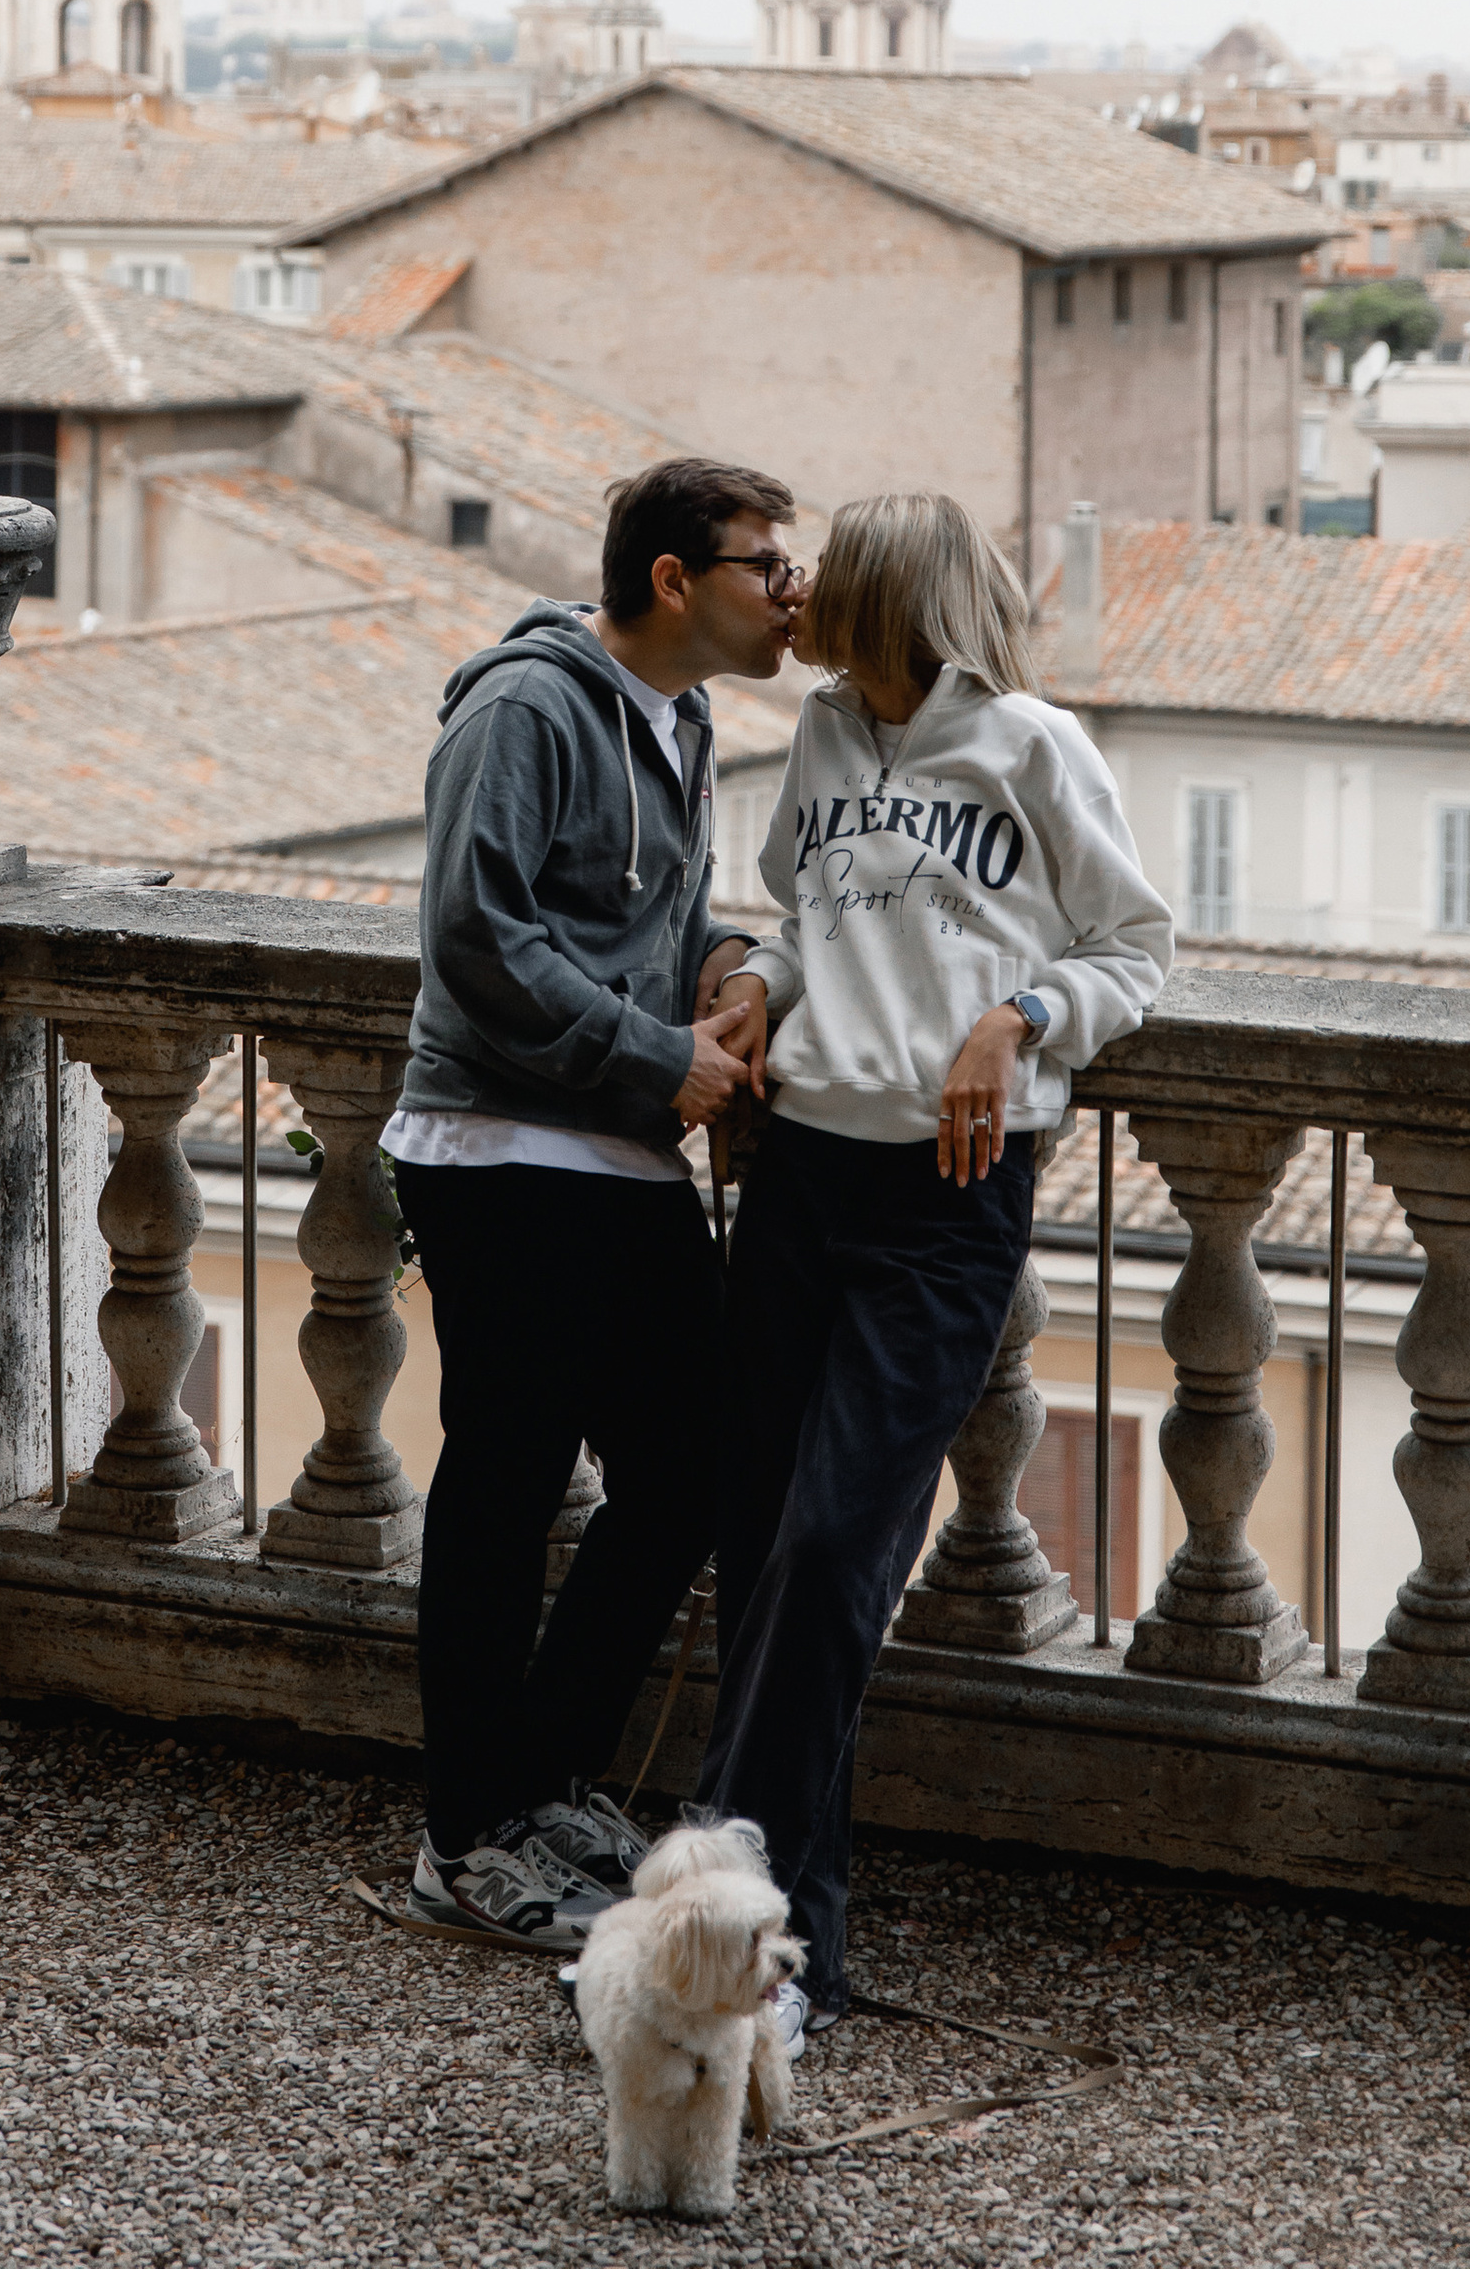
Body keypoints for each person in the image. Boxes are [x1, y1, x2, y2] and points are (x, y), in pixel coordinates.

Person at [697, 489, 1170, 2034]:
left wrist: (1018, 1020)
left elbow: (1134, 947)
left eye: (836, 564)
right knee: (763, 1541)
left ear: (899, 594)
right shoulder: (827, 736)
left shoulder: (1035, 745)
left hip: (948, 1199)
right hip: (798, 1176)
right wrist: (759, 980)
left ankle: (724, 1924)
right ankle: (788, 1950)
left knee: (839, 1551)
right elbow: (809, 916)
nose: (806, 583)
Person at [388, 455, 803, 1949]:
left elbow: (658, 914)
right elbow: (476, 935)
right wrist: (657, 1058)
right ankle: (462, 1837)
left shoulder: (675, 719)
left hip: (615, 1152)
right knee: (504, 1487)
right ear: (677, 581)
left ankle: (530, 1776)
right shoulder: (525, 707)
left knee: (688, 1471)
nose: (794, 594)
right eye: (769, 565)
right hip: (500, 1148)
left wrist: (743, 962)